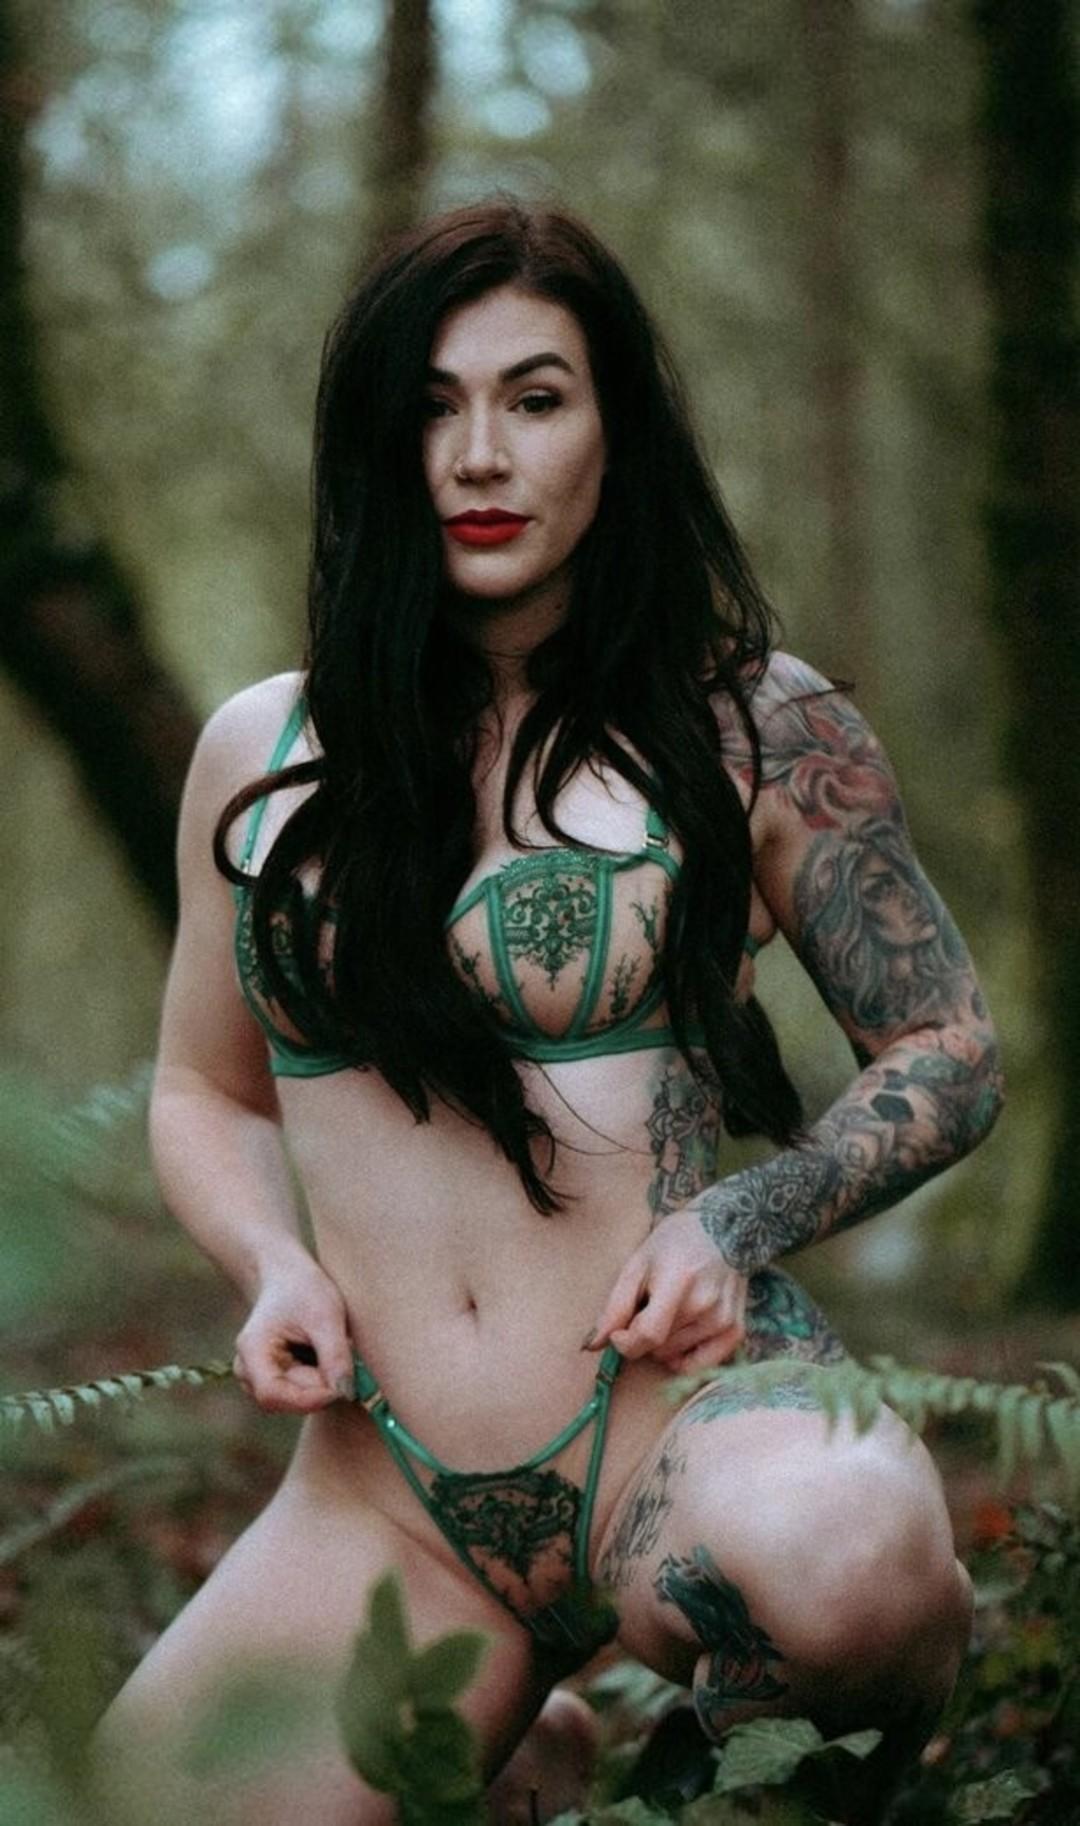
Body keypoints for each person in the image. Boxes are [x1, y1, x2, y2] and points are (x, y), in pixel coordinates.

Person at [95, 201, 1002, 1825]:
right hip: (388, 1498)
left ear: (613, 427)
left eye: (534, 397)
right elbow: (202, 1088)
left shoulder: (754, 725)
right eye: (433, 406)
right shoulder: (262, 754)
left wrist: (738, 1218)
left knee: (851, 1567)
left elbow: (948, 1047)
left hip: (684, 1432)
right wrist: (271, 1260)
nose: (479, 455)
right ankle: (525, 1746)